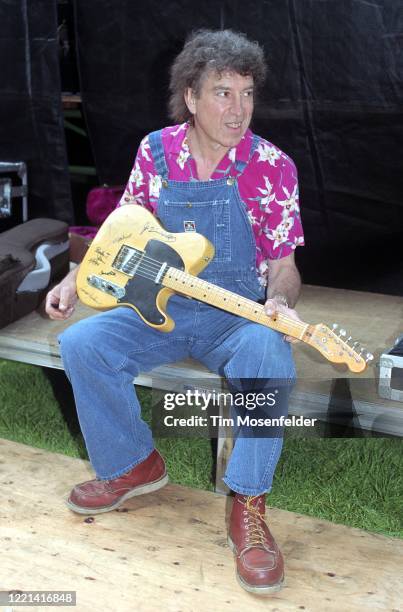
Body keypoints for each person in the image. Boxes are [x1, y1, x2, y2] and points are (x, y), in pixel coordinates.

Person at [46, 29, 304, 595]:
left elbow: (284, 263)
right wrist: (74, 274)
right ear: (190, 96)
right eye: (222, 93)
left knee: (269, 355)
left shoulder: (272, 166)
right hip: (157, 303)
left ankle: (249, 508)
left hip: (237, 314)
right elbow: (122, 233)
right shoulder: (156, 152)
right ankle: (134, 464)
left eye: (246, 93)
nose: (239, 110)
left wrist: (279, 300)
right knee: (82, 344)